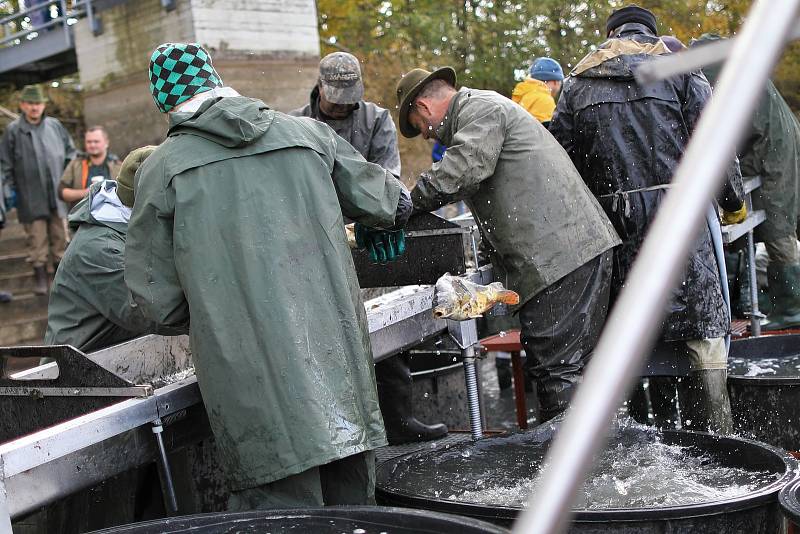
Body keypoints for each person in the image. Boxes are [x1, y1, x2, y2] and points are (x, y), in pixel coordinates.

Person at [126, 43, 411, 510]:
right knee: (353, 510)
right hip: (339, 368)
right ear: (216, 82)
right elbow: (392, 201)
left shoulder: (162, 169)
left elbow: (157, 302)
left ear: (164, 102)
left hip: (252, 389)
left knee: (278, 512)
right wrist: (380, 226)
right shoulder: (308, 133)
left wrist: (220, 303)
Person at [550, 5, 745, 433]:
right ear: (650, 33)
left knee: (631, 340)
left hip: (614, 233)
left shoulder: (577, 85)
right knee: (703, 335)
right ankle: (721, 444)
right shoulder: (682, 73)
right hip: (683, 227)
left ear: (611, 35)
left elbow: (560, 170)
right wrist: (732, 202)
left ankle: (645, 450)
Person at [396, 66, 620, 422]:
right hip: (574, 251)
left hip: (558, 259)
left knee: (557, 371)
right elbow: (501, 193)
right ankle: (600, 459)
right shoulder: (482, 112)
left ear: (423, 107)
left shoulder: (480, 109)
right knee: (578, 371)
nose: (424, 136)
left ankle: (571, 468)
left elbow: (461, 172)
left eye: (419, 127)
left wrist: (400, 207)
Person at [291, 52, 446, 444]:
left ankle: (398, 418)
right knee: (326, 335)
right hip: (316, 239)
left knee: (383, 323)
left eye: (351, 94)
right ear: (320, 87)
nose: (345, 103)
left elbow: (386, 175)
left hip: (367, 232)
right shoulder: (296, 124)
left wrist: (378, 217)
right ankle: (339, 429)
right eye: (337, 94)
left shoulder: (374, 119)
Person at [694, 34, 800, 331]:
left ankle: (791, 308)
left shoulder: (714, 70)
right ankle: (760, 302)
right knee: (754, 227)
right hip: (777, 141)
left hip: (770, 151)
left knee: (778, 226)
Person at [45, 147, 158, 353]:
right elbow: (144, 313)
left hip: (116, 353)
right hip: (79, 367)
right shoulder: (101, 248)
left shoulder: (131, 226)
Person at [0, 84, 75, 295]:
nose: (35, 108)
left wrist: (69, 181)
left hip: (57, 191)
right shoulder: (13, 131)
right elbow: (4, 164)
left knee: (61, 236)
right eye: (31, 103)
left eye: (38, 103)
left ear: (44, 105)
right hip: (29, 194)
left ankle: (61, 278)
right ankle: (40, 277)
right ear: (23, 105)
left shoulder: (55, 126)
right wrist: (8, 190)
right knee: (37, 239)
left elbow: (70, 154)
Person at [290, 51, 400, 177]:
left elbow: (389, 181)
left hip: (365, 196)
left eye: (350, 98)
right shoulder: (296, 123)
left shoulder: (377, 120)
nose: (343, 105)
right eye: (336, 99)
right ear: (320, 86)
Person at [59, 126, 122, 211]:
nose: (92, 145)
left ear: (106, 142)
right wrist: (85, 193)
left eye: (96, 141)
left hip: (112, 218)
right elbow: (61, 192)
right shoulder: (75, 164)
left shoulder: (118, 166)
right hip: (82, 217)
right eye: (89, 142)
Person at [511, 57, 564, 127]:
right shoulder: (545, 100)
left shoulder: (522, 94)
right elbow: (548, 135)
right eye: (560, 82)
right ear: (555, 82)